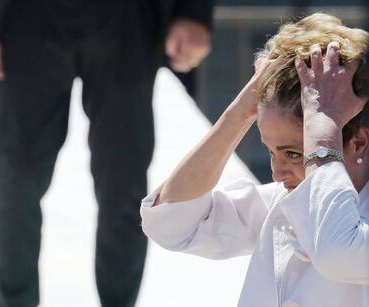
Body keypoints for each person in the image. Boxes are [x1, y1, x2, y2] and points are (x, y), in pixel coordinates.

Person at [0, 1, 213, 307]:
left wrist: (192, 13)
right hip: (27, 18)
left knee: (125, 185)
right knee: (16, 183)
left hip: (127, 19)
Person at [141, 13, 369, 307]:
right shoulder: (281, 201)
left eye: (294, 153)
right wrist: (240, 112)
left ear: (359, 143)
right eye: (270, 151)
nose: (276, 173)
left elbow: (338, 251)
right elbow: (172, 222)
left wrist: (323, 134)